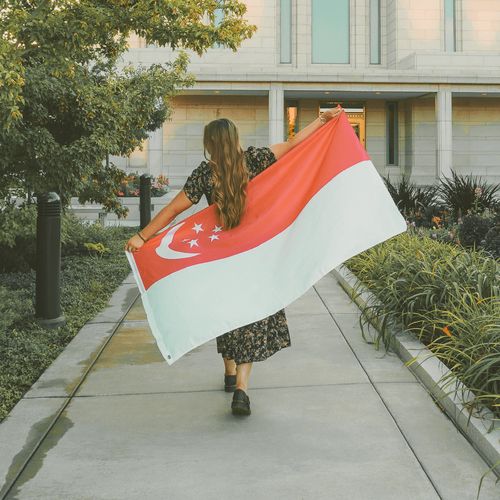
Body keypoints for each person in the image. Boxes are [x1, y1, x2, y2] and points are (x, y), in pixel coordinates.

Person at [125, 105, 343, 416]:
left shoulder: (204, 174)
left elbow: (174, 210)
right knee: (250, 318)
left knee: (226, 314)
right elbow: (295, 146)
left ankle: (229, 373)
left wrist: (143, 237)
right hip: (255, 257)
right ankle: (240, 385)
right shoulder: (254, 159)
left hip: (222, 260)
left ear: (210, 145)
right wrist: (320, 121)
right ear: (235, 139)